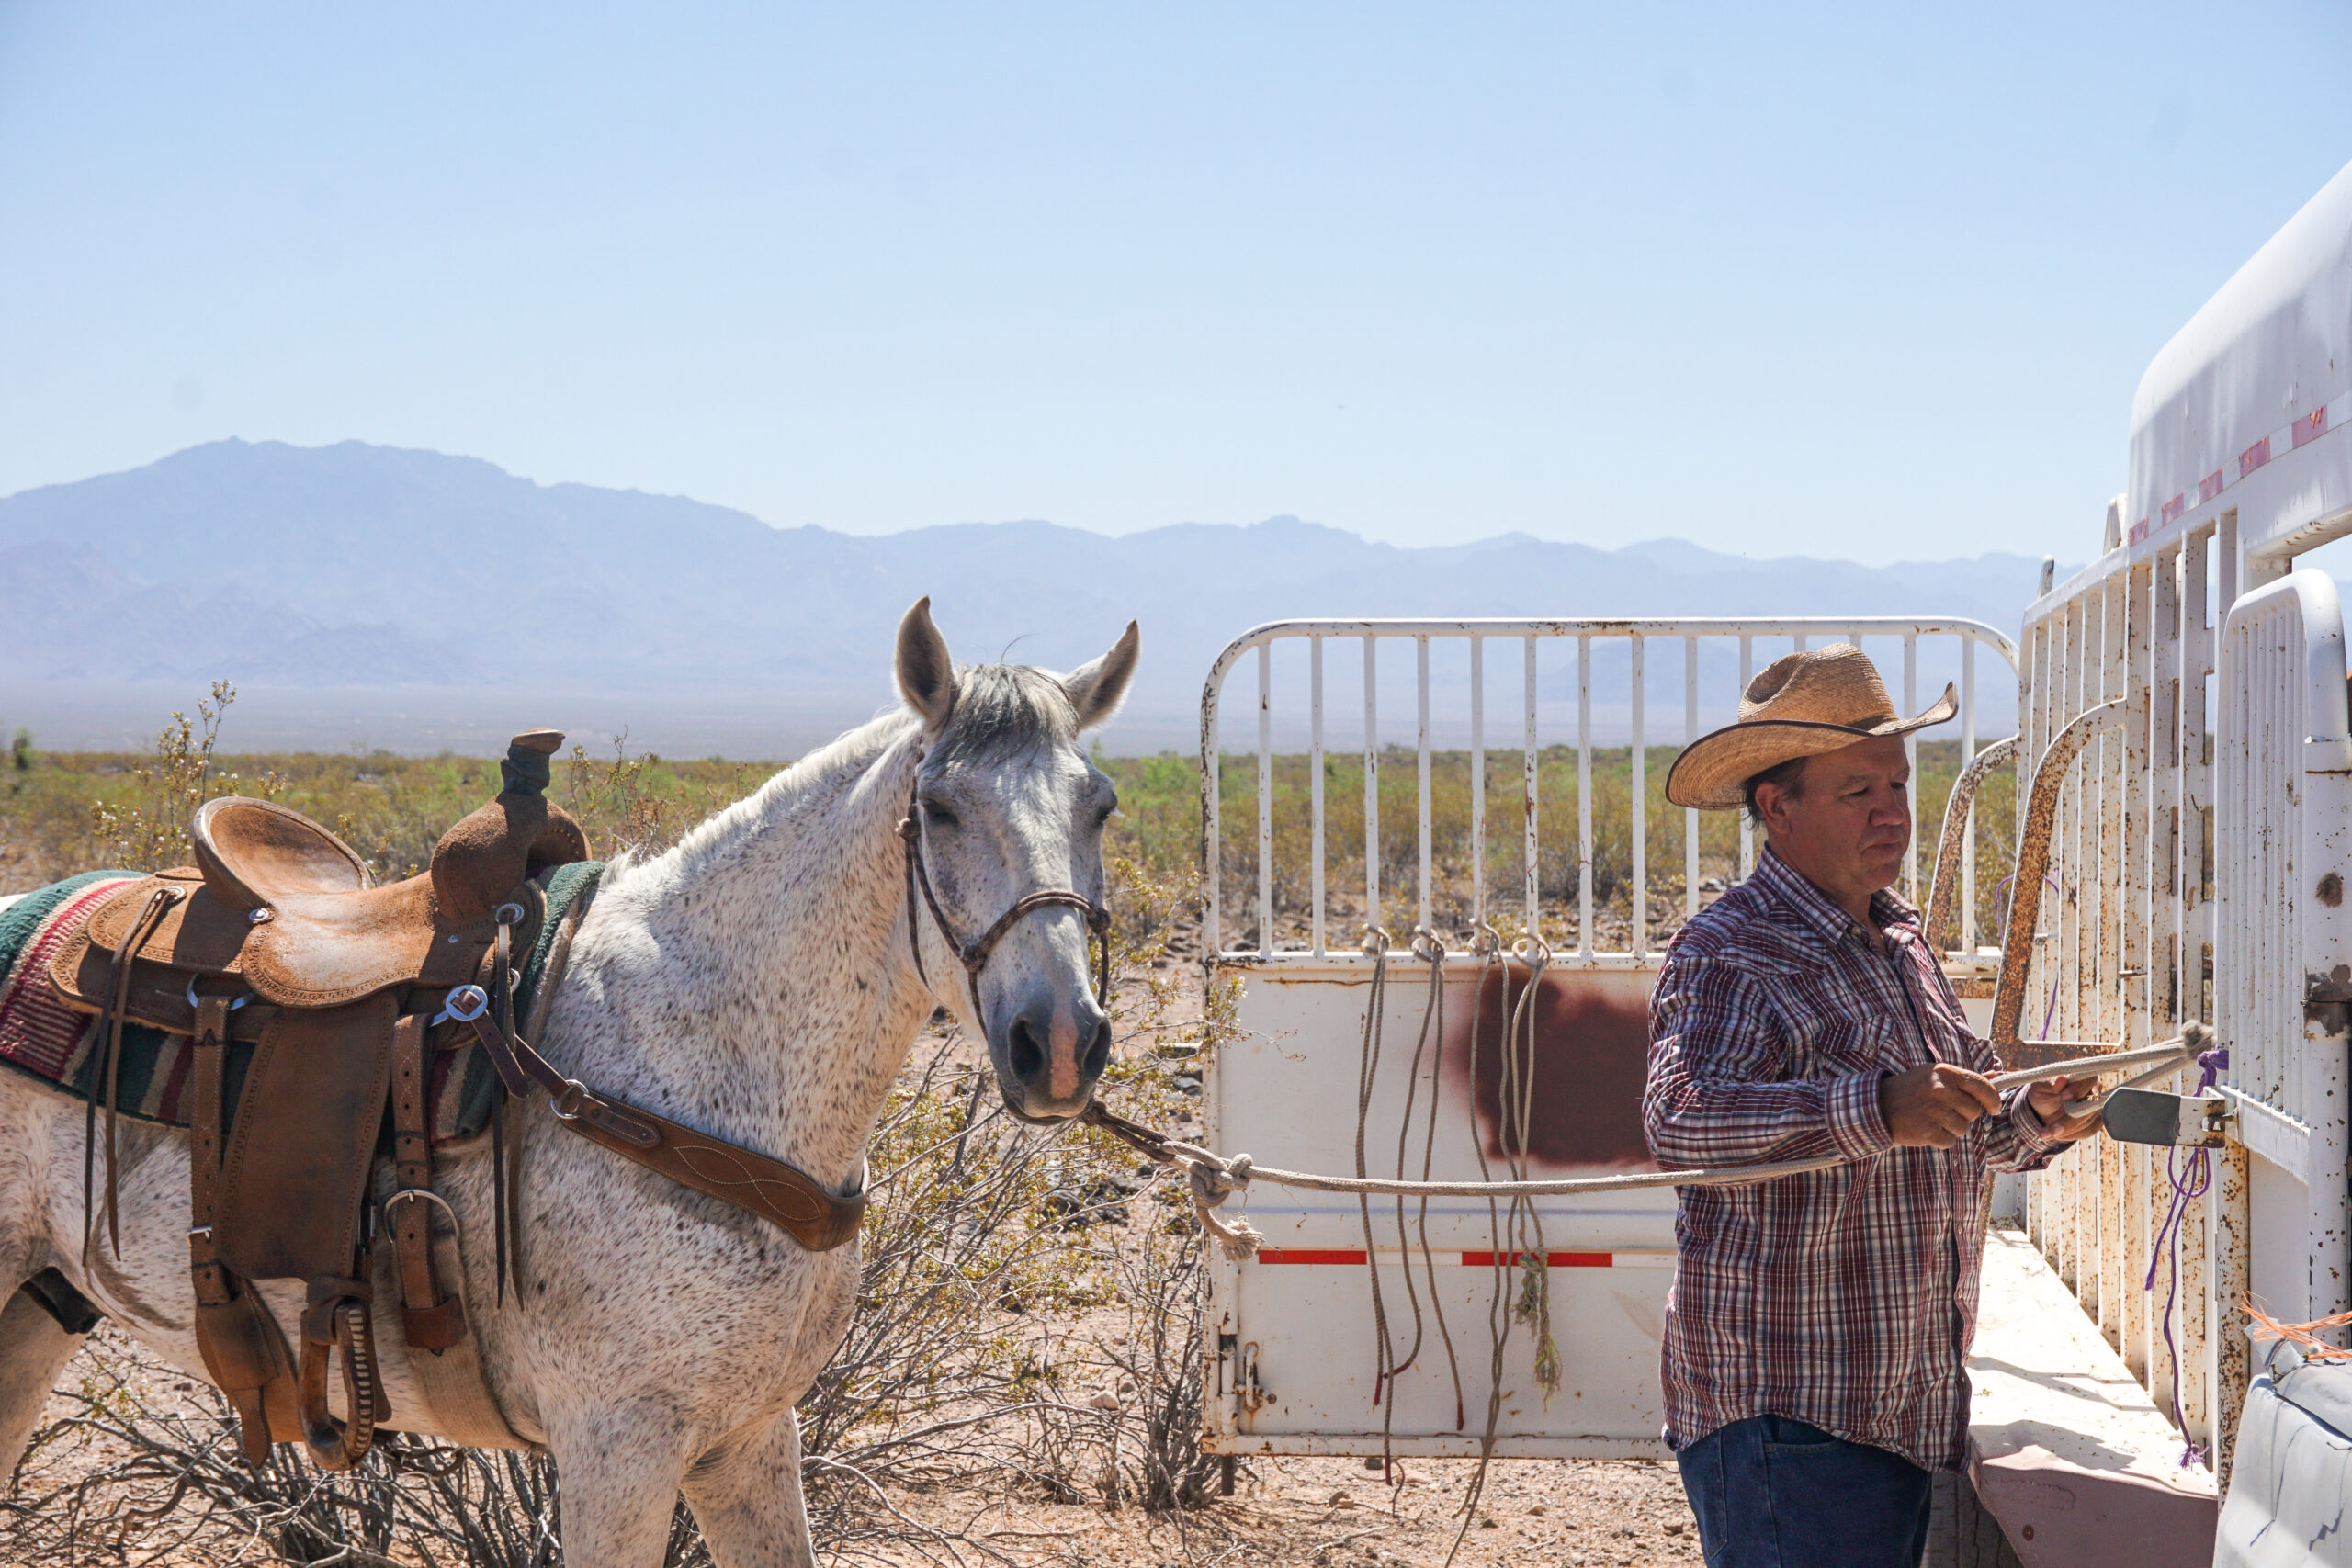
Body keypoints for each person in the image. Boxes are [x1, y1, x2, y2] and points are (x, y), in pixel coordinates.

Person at [1644, 645, 2101, 1568]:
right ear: (1777, 807)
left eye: (1895, 785)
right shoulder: (1732, 948)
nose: (1890, 811)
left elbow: (1957, 1118)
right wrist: (1878, 1107)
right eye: (1857, 790)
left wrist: (2033, 1118)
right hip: (1789, 1407)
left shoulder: (1896, 939)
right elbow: (1681, 1123)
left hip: (1885, 1402)